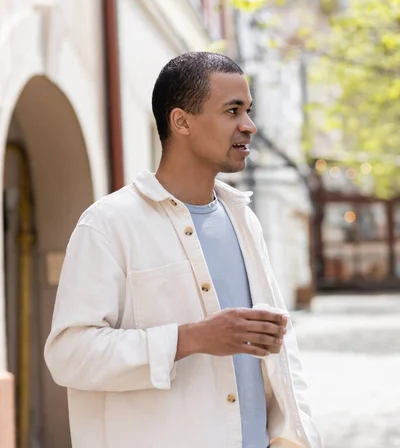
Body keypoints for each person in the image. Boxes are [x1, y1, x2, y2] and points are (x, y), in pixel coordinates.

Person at [45, 52, 322, 448]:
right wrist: (190, 338)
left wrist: (294, 437)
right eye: (232, 111)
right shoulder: (108, 224)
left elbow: (282, 355)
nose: (249, 125)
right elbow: (68, 355)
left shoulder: (243, 218)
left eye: (248, 110)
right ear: (182, 121)